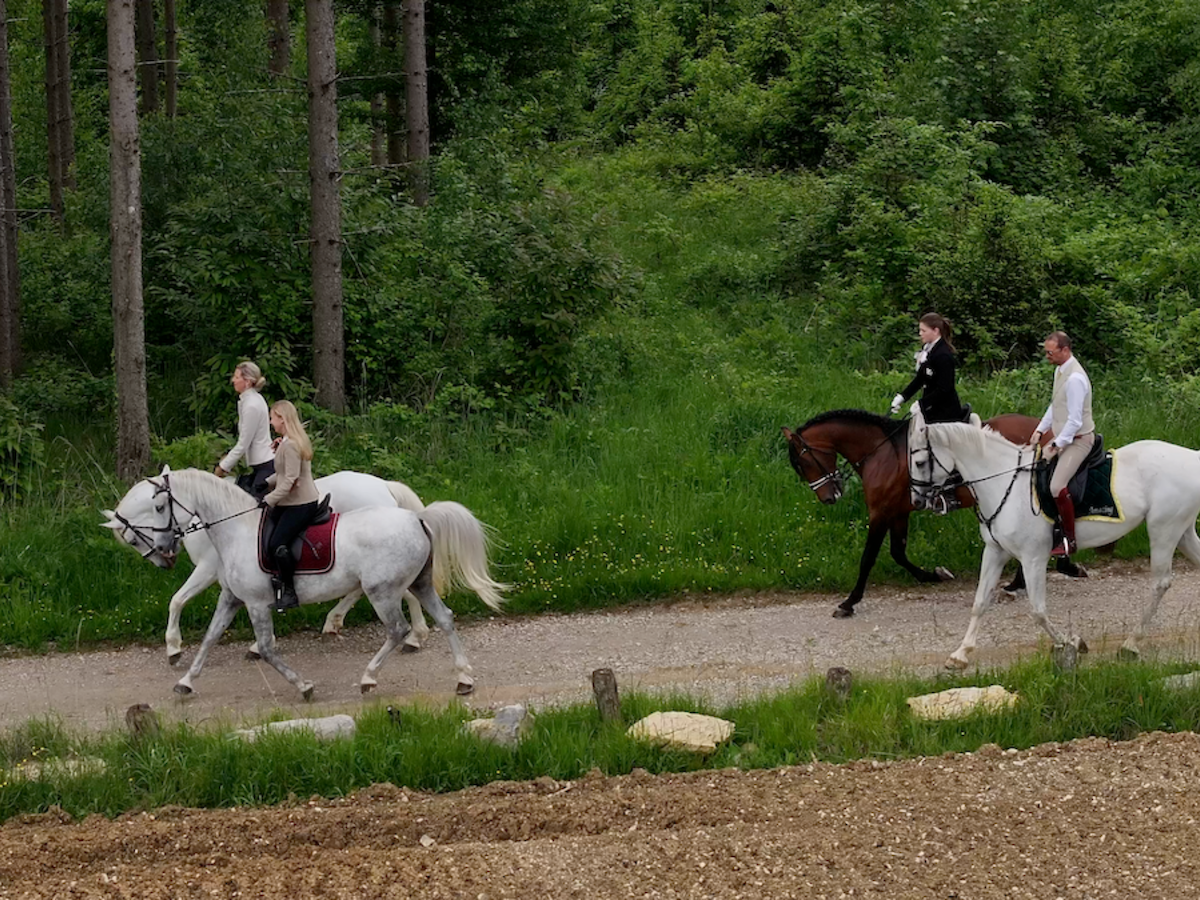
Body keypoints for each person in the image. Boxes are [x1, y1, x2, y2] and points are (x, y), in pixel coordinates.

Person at [1031, 331, 1095, 557]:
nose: (1047, 356)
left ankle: (1070, 539)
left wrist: (1055, 446)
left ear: (1065, 350)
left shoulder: (1075, 379)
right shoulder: (1060, 371)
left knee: (1057, 486)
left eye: (1050, 352)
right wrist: (1040, 428)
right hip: (1064, 437)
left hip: (1078, 440)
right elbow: (1056, 405)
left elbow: (1075, 420)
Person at [261, 400, 320, 611]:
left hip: (301, 503)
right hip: (289, 501)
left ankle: (290, 592)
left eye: (272, 418)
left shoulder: (292, 445)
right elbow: (283, 474)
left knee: (277, 543)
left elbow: (290, 480)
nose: (270, 422)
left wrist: (268, 499)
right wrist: (266, 482)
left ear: (282, 419)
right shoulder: (287, 442)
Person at [890, 312, 968, 423]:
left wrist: (921, 404)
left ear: (935, 331)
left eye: (923, 331)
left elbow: (945, 388)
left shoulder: (943, 355)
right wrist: (902, 397)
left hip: (945, 413)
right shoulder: (928, 350)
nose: (920, 334)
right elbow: (920, 379)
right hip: (930, 409)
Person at [215, 361, 274, 500]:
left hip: (265, 464)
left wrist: (223, 467)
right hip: (260, 464)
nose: (233, 380)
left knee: (254, 508)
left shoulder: (251, 405)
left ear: (247, 381)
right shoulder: (251, 400)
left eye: (236, 377)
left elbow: (243, 443)